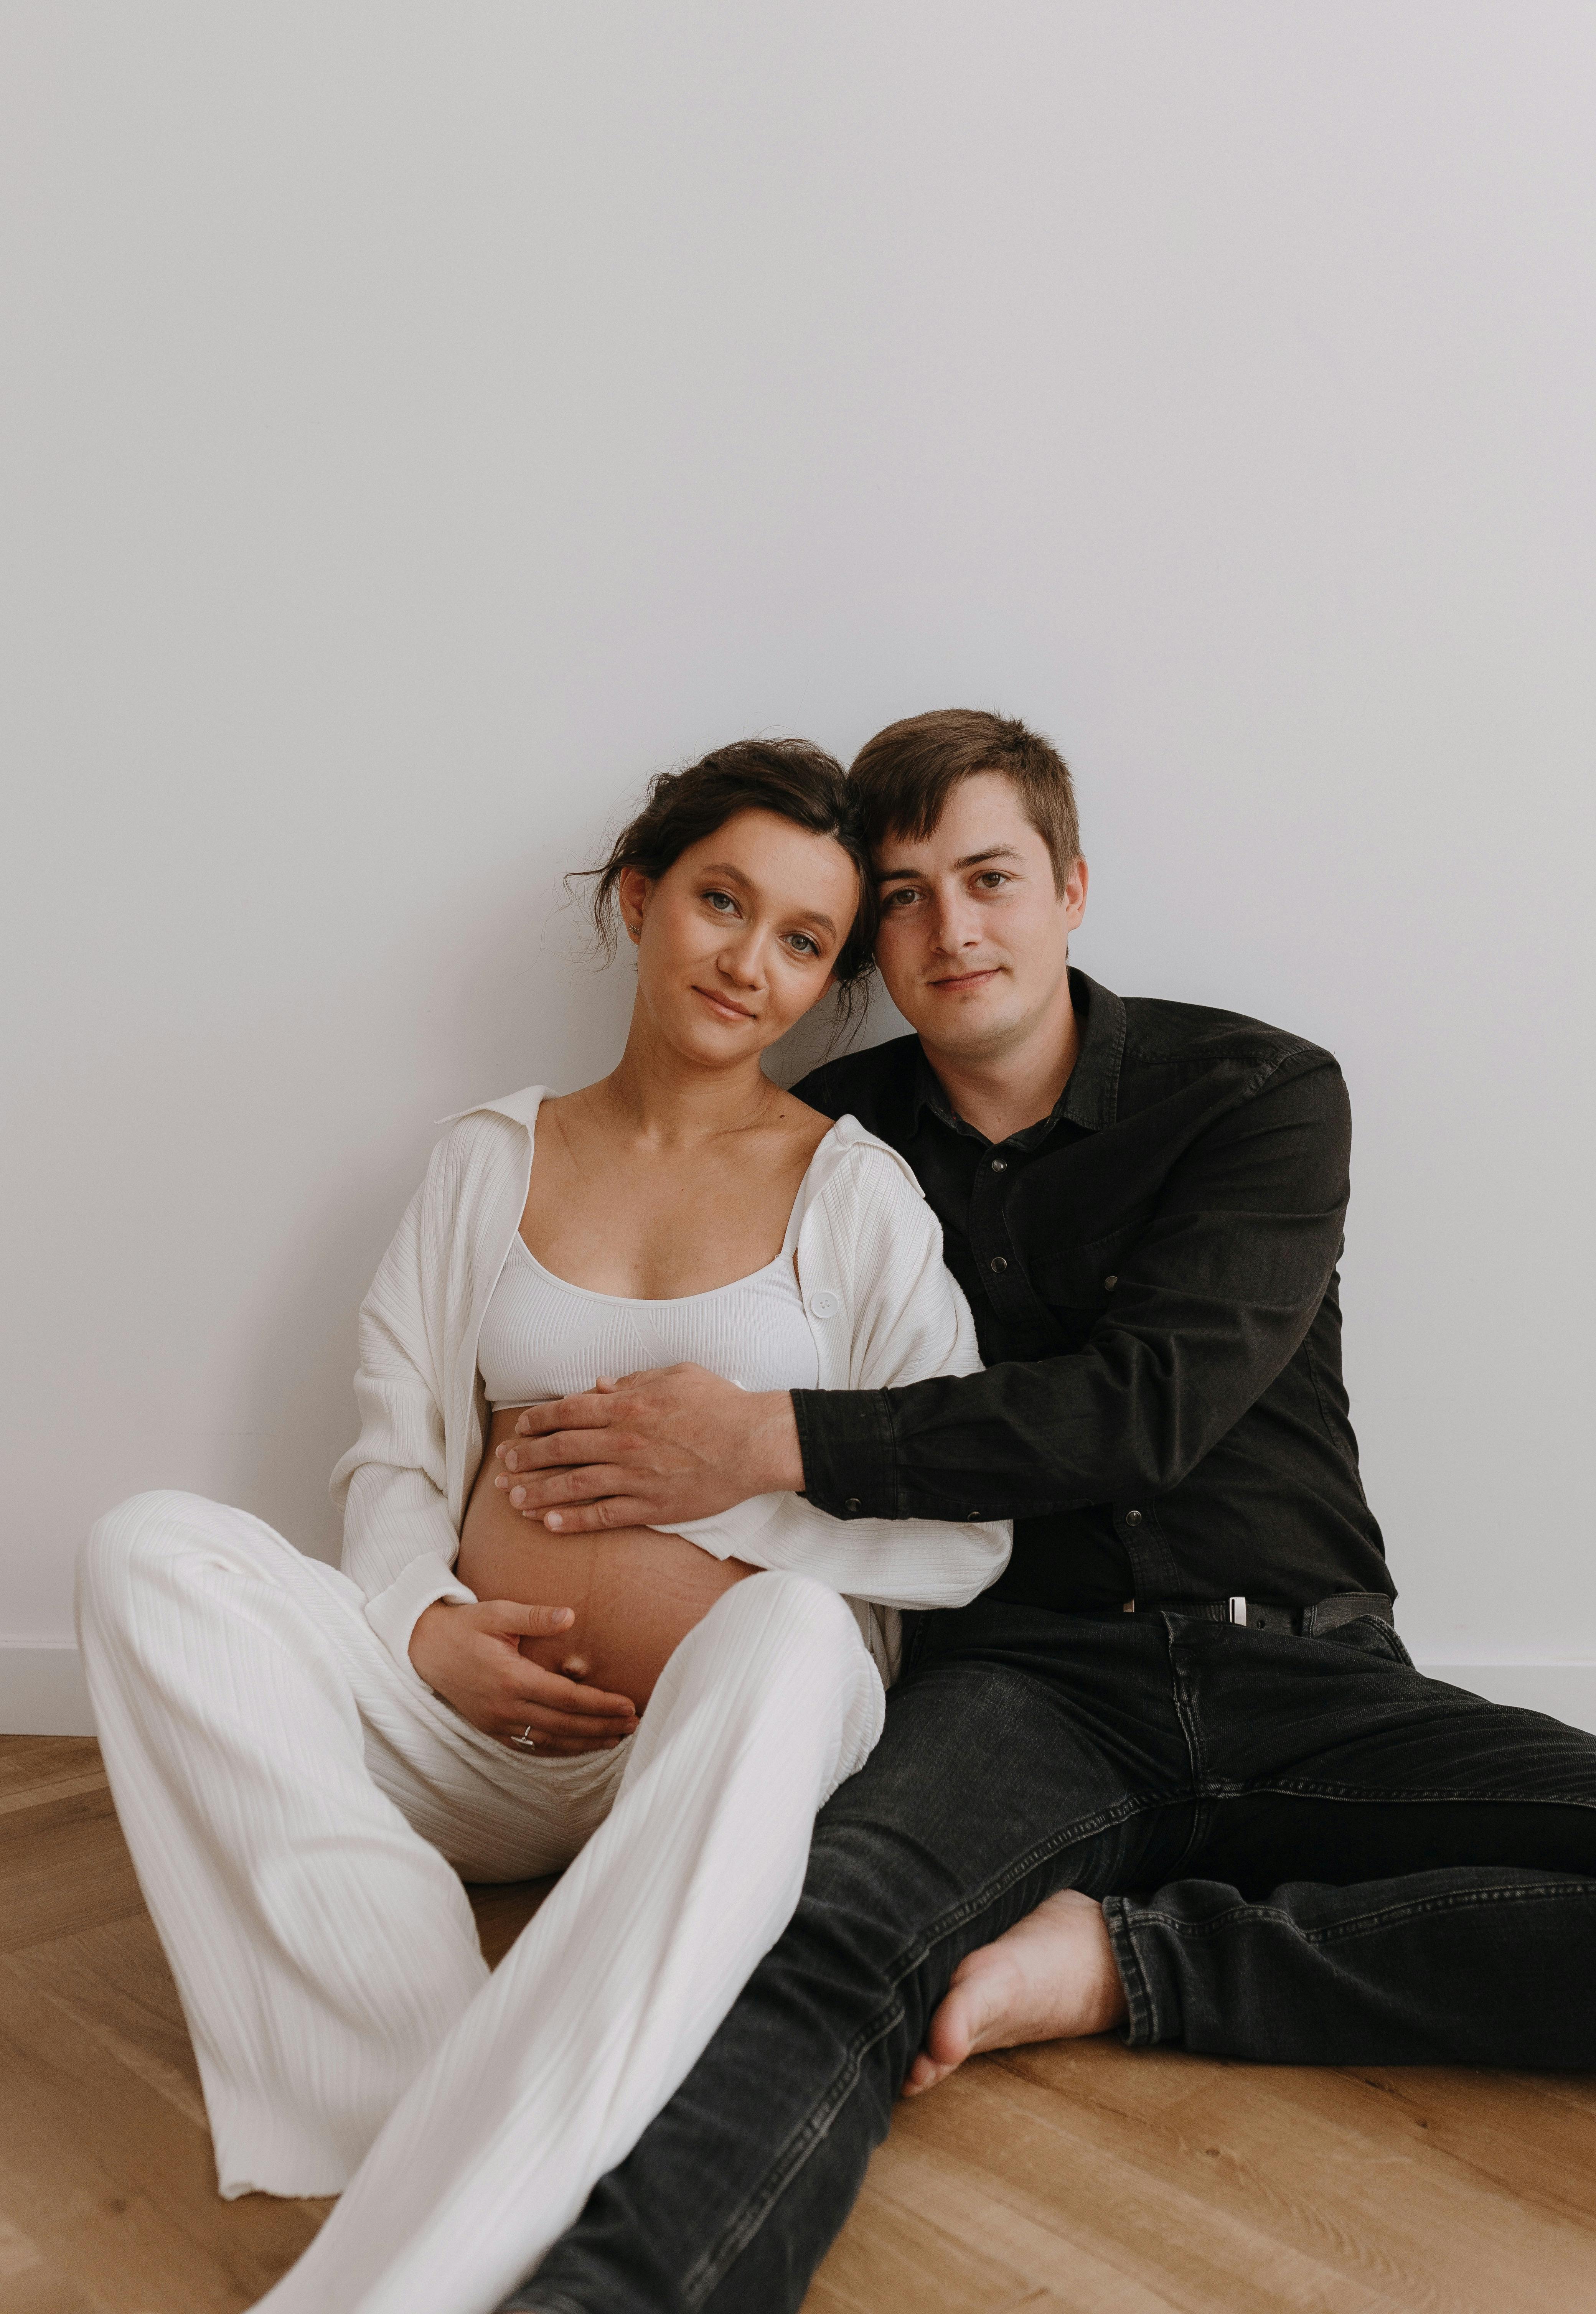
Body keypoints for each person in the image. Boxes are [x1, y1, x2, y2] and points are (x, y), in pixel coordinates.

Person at [500, 708, 1596, 2314]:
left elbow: (1150, 1408)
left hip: (1306, 1668)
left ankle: (1143, 1962)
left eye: (990, 877)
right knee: (821, 1939)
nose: (953, 929)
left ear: (1070, 889)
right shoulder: (829, 1140)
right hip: (1018, 1687)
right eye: (902, 895)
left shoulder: (1258, 1092)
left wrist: (777, 1440)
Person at [76, 737, 1013, 2314]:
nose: (751, 963)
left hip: (707, 1753)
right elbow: (388, 1461)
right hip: (464, 1735)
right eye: (723, 902)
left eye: (802, 943)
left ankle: (414, 2266)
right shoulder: (486, 1159)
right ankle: (425, 2087)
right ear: (640, 898)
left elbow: (966, 1528)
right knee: (148, 1551)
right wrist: (419, 1626)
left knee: (786, 1634)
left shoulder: (852, 1194)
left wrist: (729, 1504)